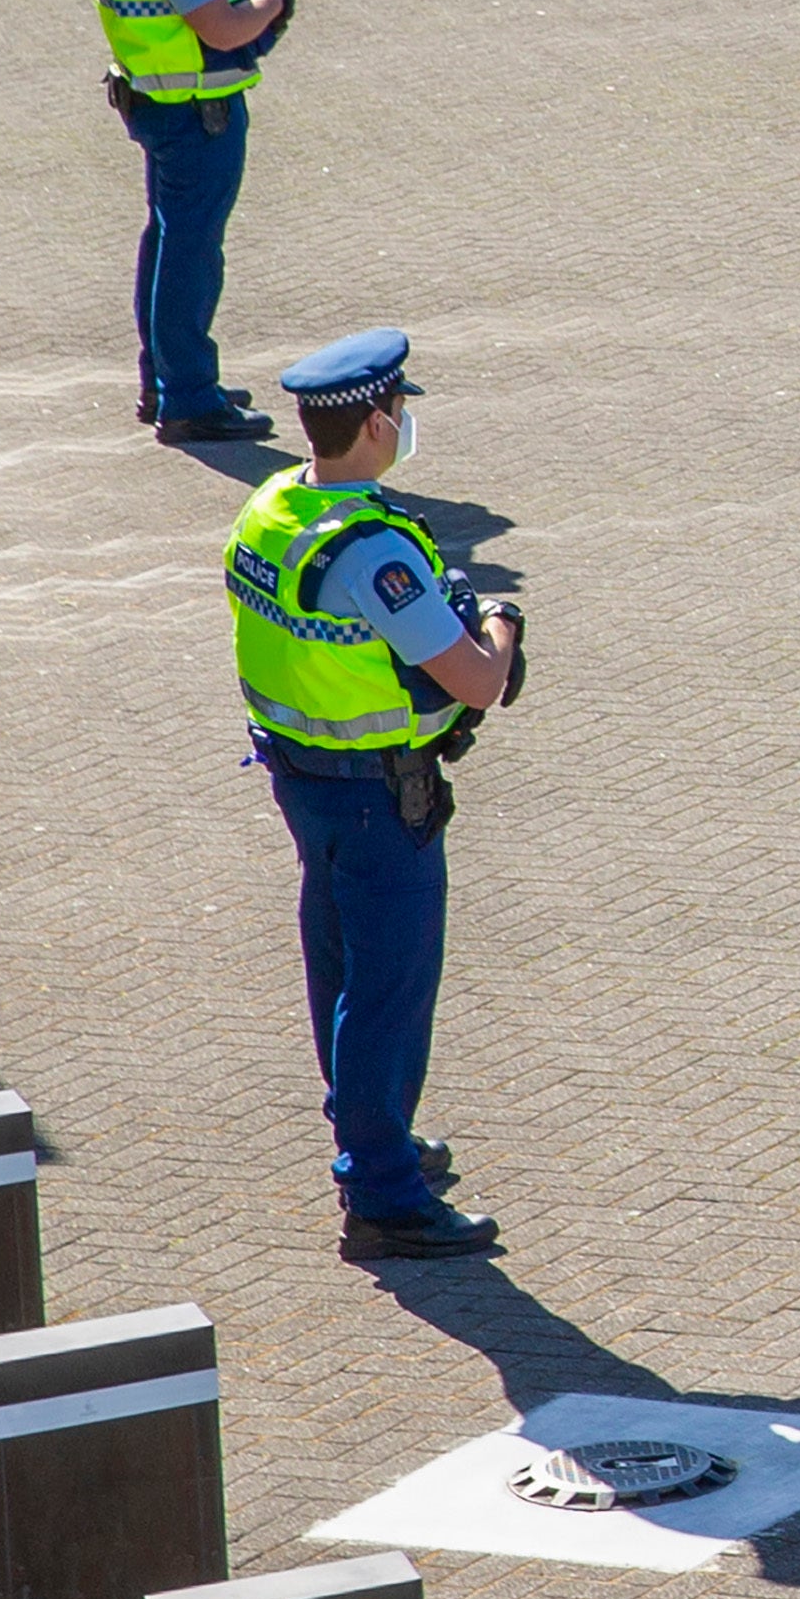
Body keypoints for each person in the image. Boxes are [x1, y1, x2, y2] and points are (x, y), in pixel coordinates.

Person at [226, 328, 517, 1261]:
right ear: (379, 424)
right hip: (377, 798)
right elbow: (476, 681)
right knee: (387, 991)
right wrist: (502, 625)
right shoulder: (372, 551)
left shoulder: (275, 506)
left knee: (341, 967)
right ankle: (384, 1193)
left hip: (303, 776)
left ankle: (372, 1131)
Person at [85, 0, 289, 444]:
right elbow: (223, 29)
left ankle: (166, 380)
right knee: (190, 253)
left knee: (168, 241)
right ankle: (190, 399)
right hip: (195, 113)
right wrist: (275, 0)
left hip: (155, 102)